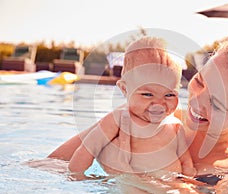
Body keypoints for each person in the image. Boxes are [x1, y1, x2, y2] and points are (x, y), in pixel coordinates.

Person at [48, 31, 228, 193]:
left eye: (216, 103)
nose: (195, 101)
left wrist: (129, 176)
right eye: (200, 81)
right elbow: (50, 167)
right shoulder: (143, 118)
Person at [64, 36, 196, 177]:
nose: (159, 103)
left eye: (169, 95)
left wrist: (190, 180)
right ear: (124, 89)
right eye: (147, 94)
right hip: (135, 184)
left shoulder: (175, 126)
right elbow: (87, 149)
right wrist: (76, 175)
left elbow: (185, 161)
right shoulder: (119, 120)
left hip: (172, 185)